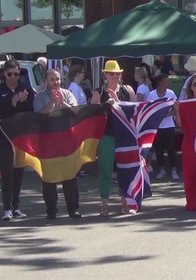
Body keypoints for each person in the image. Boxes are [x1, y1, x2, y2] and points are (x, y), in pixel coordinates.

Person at [33, 69, 81, 220]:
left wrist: (62, 102)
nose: (56, 82)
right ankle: (51, 210)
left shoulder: (67, 93)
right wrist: (52, 103)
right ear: (46, 81)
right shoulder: (40, 97)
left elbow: (76, 112)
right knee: (49, 178)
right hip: (47, 141)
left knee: (70, 177)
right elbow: (39, 116)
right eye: (52, 79)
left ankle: (73, 209)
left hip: (66, 140)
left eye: (58, 79)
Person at [0, 60, 35, 221]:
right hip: (4, 136)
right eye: (10, 74)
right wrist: (13, 102)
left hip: (21, 135)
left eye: (16, 74)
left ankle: (16, 206)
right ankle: (7, 208)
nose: (13, 77)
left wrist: (24, 101)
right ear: (4, 74)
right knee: (7, 171)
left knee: (19, 171)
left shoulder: (25, 87)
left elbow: (31, 110)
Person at [91, 60, 137, 216]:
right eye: (111, 74)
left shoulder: (127, 90)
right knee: (105, 171)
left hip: (124, 137)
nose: (115, 76)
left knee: (125, 170)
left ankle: (125, 202)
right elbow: (91, 116)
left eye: (117, 74)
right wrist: (104, 106)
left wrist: (118, 103)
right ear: (105, 74)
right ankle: (104, 204)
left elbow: (134, 113)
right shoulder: (98, 92)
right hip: (106, 136)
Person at [147, 74, 179, 181]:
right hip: (157, 126)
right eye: (166, 81)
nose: (168, 84)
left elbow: (176, 107)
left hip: (169, 125)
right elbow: (148, 109)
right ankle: (161, 170)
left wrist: (168, 114)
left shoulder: (171, 93)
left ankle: (174, 171)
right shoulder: (151, 95)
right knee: (159, 150)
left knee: (171, 149)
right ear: (160, 82)